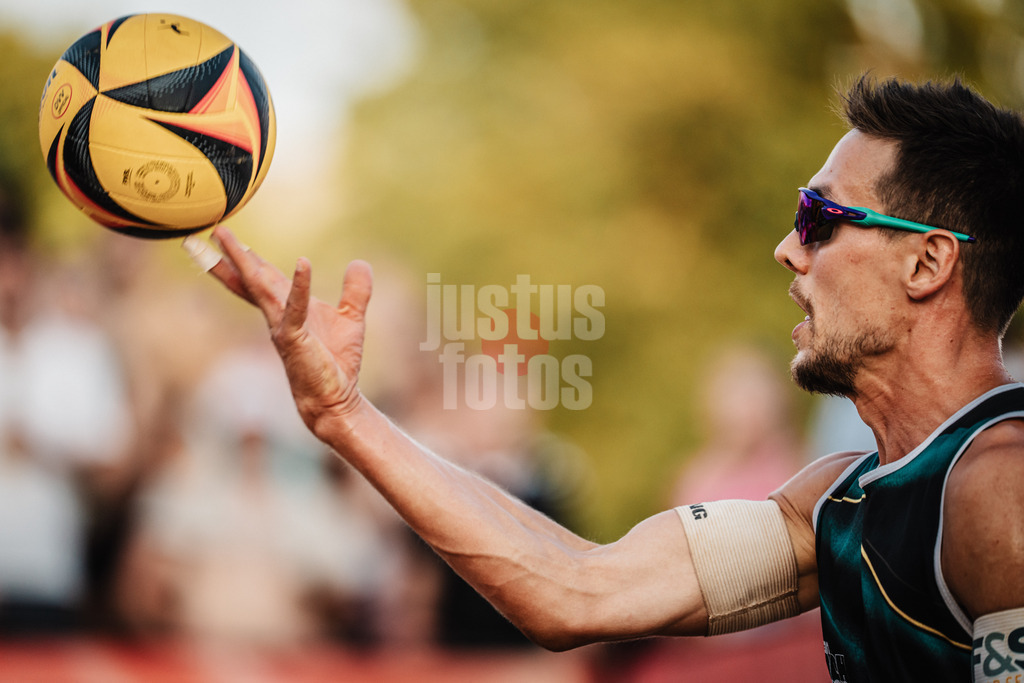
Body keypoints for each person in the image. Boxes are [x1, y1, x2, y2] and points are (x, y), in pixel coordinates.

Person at [183, 75, 1024, 682]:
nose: (788, 247)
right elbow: (575, 592)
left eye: (820, 218)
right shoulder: (840, 497)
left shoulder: (1002, 493)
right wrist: (342, 412)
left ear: (928, 260)